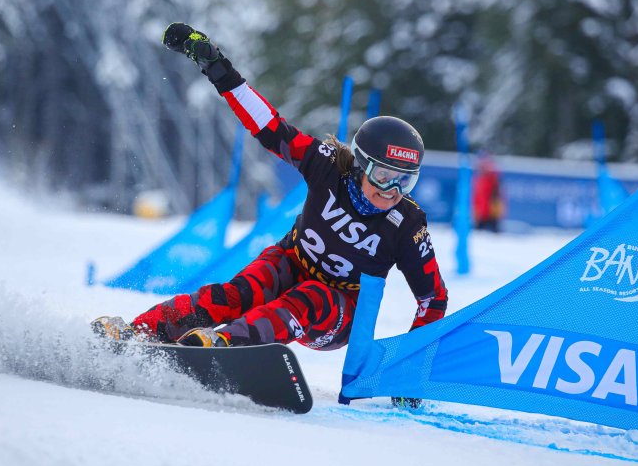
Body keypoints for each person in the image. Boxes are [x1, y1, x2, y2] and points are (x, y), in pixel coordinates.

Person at [93, 23, 448, 358]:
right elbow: (269, 126)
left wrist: (410, 369)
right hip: (291, 262)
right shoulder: (327, 166)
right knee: (235, 294)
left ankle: (226, 346)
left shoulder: (406, 222)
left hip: (338, 311)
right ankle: (139, 333)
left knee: (311, 296)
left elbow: (433, 298)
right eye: (385, 176)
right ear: (360, 165)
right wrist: (217, 66)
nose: (393, 191)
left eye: (406, 180)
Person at [472, 151, 503, 232]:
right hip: (481, 213)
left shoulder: (493, 179)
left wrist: (495, 212)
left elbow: (496, 197)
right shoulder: (479, 179)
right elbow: (477, 198)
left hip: (491, 213)